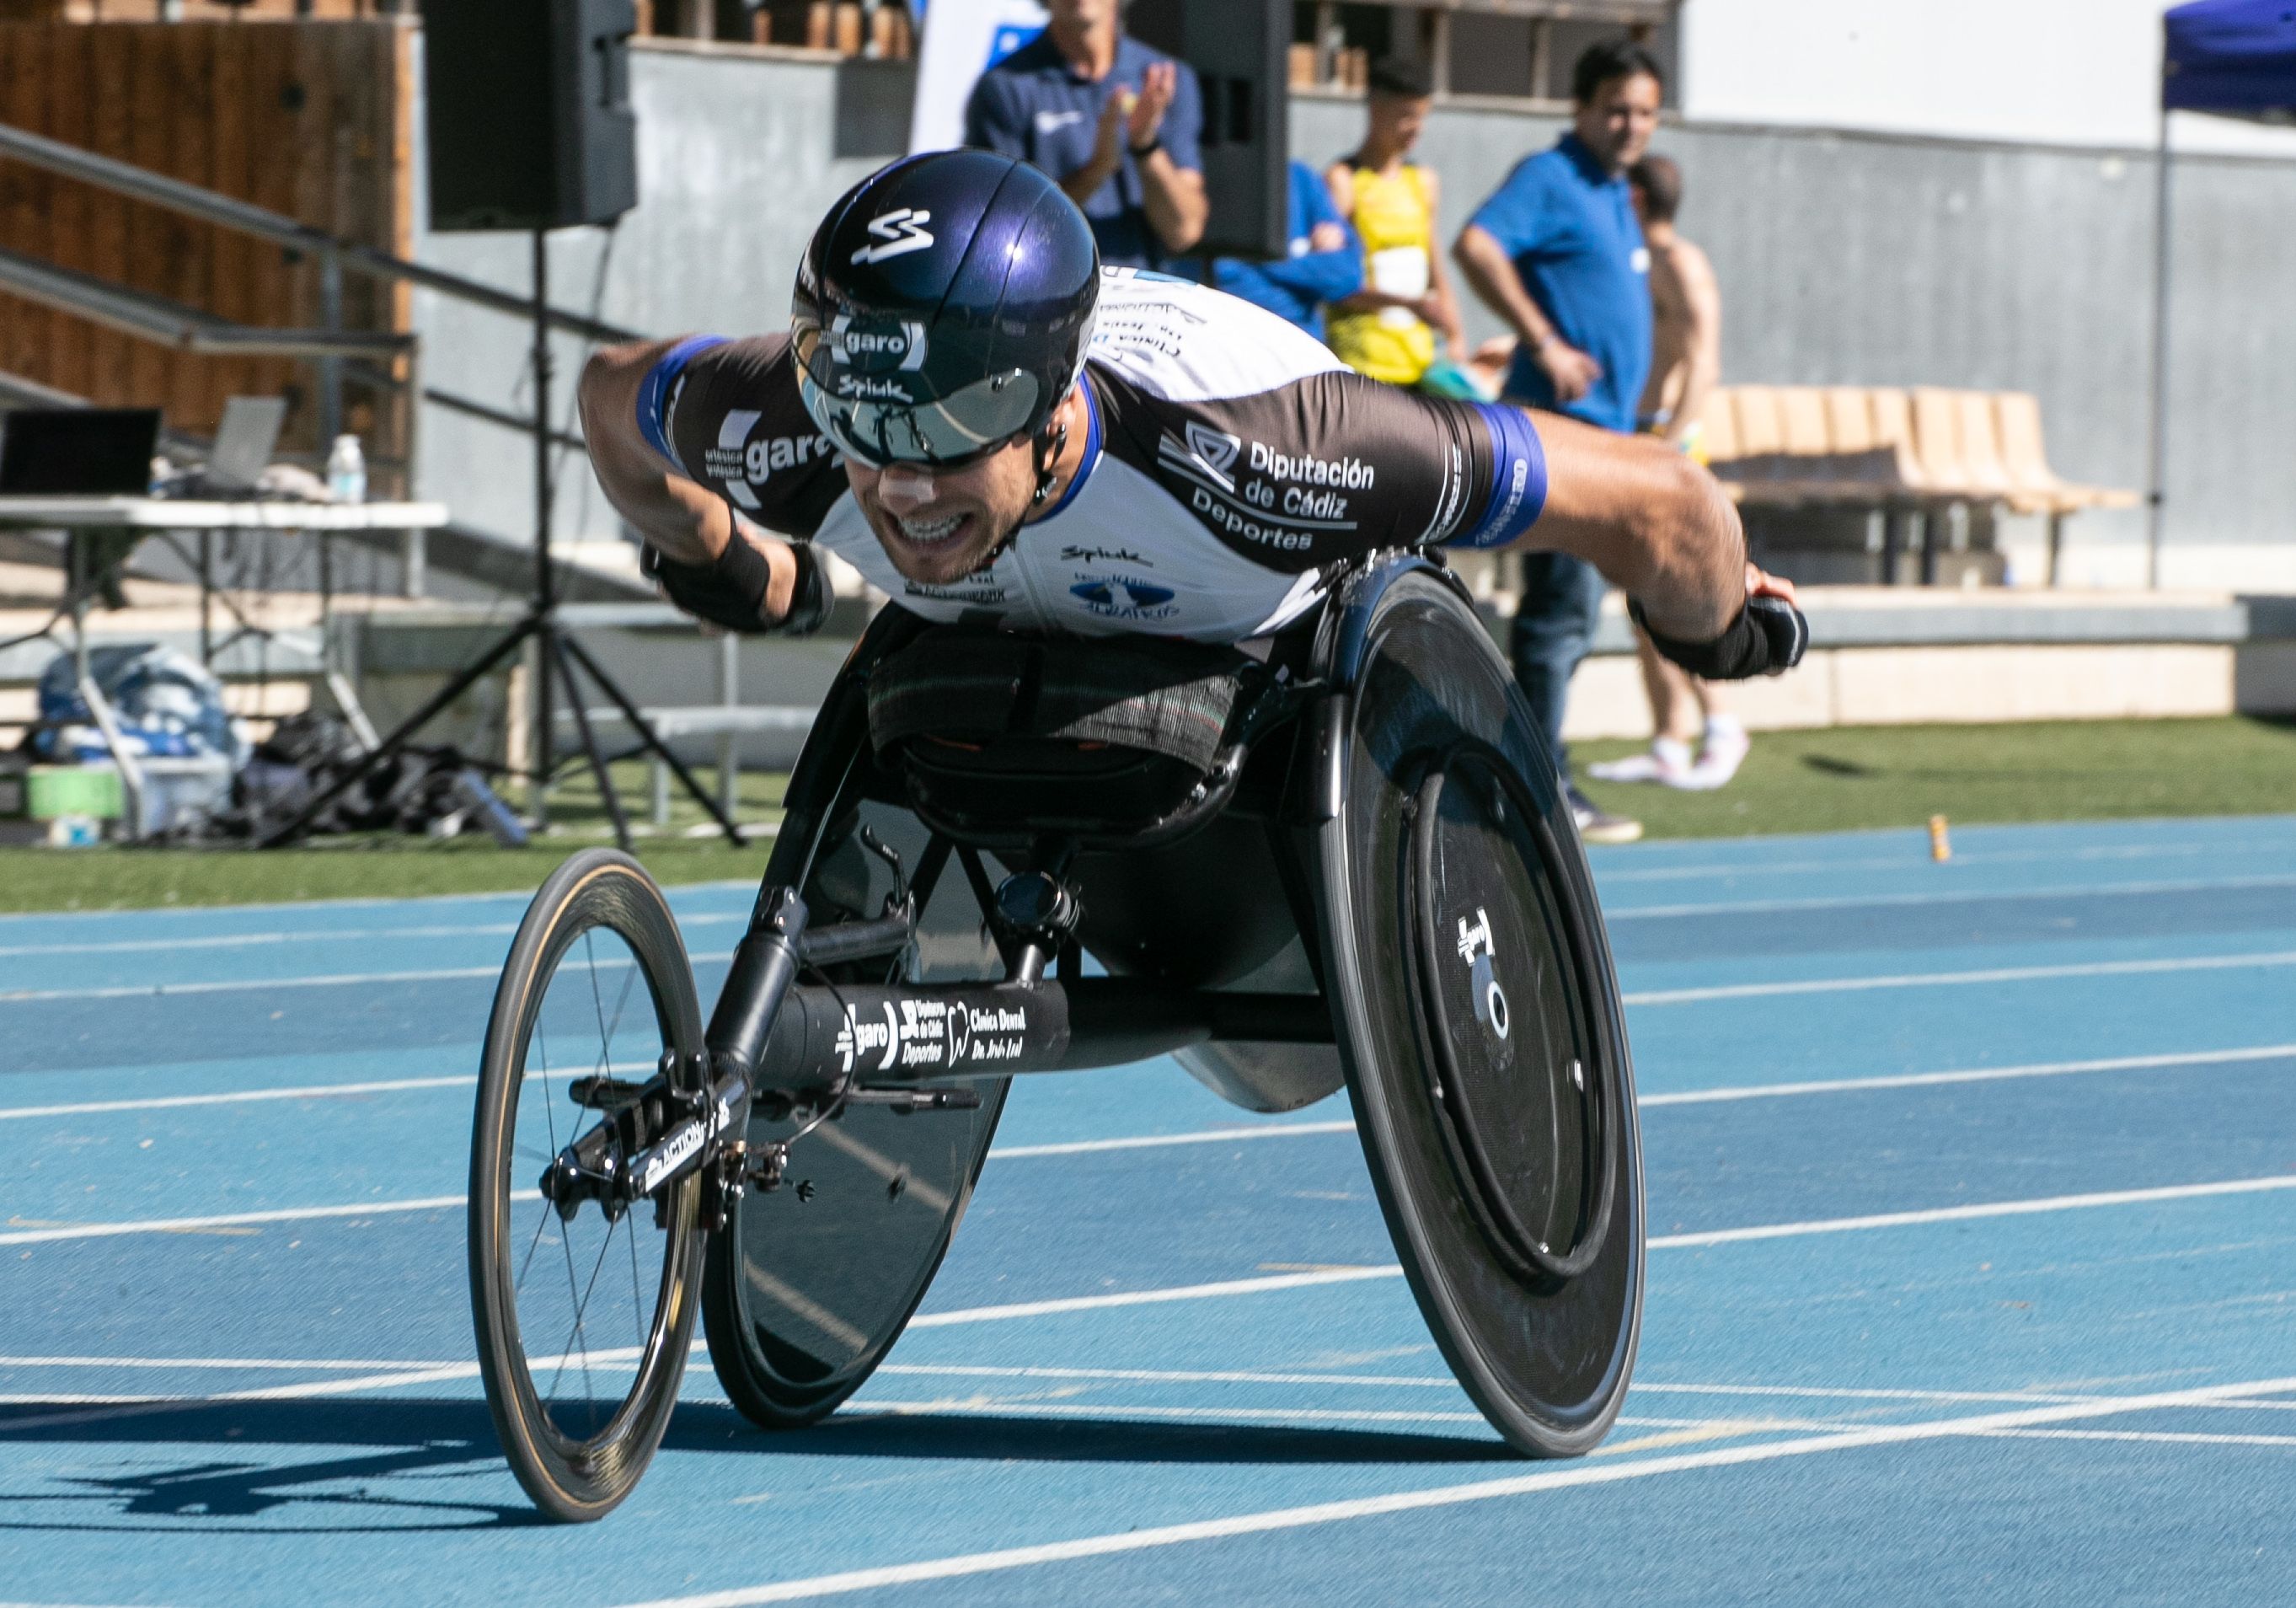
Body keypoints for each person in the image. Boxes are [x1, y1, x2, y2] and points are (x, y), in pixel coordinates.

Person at [577, 152, 1800, 799]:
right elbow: (607, 401)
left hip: (1276, 649)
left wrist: (1724, 636)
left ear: (1054, 402)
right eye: (865, 416)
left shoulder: (1281, 455)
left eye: (960, 423)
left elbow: (1653, 498)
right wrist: (737, 564)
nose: (901, 478)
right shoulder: (784, 426)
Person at [1452, 37, 1664, 844]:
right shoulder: (1552, 175)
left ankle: (1538, 779)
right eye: (1615, 108)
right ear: (1580, 108)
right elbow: (1476, 244)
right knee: (1557, 615)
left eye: (1644, 111)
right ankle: (1539, 790)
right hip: (1560, 434)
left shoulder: (1615, 191)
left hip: (1606, 433)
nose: (1630, 124)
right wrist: (1540, 339)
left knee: (1569, 616)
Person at [1590, 152, 1748, 791]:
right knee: (1639, 606)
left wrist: (1669, 439)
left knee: (1676, 598)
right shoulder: (1632, 264)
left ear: (1632, 199)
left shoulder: (1680, 264)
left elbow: (1703, 365)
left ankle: (1721, 725)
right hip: (1636, 435)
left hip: (1666, 444)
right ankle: (1666, 742)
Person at [962, 0, 1205, 271]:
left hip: (1143, 303)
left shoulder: (1163, 78)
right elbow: (1003, 231)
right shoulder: (1004, 88)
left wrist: (1145, 146)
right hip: (1047, 300)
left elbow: (1184, 231)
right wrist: (1096, 170)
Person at [1323, 56, 1470, 393]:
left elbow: (1434, 261)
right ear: (1376, 109)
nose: (1417, 128)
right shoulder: (1343, 181)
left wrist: (1456, 333)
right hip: (1362, 364)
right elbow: (1333, 282)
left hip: (1419, 365)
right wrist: (1409, 304)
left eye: (1422, 116)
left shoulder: (1423, 181)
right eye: (1407, 116)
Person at [1209, 160, 1362, 340]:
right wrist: (1308, 275)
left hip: (1305, 349)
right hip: (1235, 342)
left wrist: (1261, 261)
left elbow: (1348, 275)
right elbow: (1226, 281)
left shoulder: (1302, 178)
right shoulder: (1210, 179)